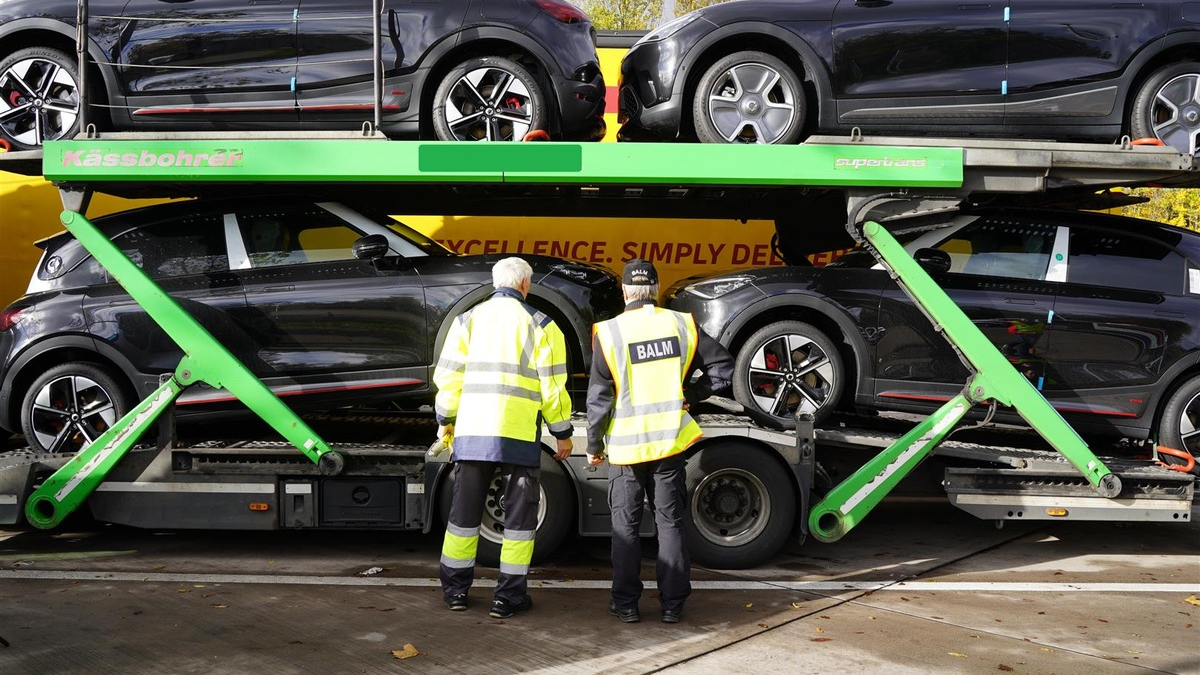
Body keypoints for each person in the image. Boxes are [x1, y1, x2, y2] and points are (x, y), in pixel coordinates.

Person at [586, 258, 733, 624]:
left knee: (625, 527)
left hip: (626, 448)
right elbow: (723, 369)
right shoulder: (681, 324)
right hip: (669, 443)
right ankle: (672, 605)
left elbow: (599, 398)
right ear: (654, 290)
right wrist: (693, 394)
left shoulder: (609, 333)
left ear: (624, 292)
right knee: (669, 524)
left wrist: (593, 445)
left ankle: (626, 604)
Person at [433, 256, 574, 619]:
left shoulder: (467, 320)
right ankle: (507, 598)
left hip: (473, 433)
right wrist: (562, 433)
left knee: (463, 516)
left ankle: (455, 592)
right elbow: (553, 389)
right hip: (517, 436)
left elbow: (448, 378)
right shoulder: (543, 324)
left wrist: (446, 419)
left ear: (496, 283)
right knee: (519, 523)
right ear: (525, 285)